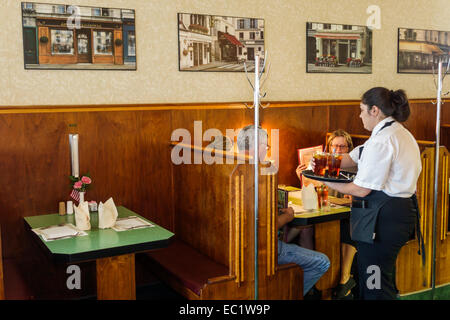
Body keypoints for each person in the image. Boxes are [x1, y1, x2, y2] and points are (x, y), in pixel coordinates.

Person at [315, 87, 422, 300]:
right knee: (373, 278)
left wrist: (322, 179)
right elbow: (352, 160)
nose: (359, 115)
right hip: (394, 214)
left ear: (375, 110)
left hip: (385, 218)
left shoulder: (383, 140)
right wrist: (322, 161)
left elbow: (362, 189)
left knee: (375, 282)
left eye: (362, 110)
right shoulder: (392, 132)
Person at [237, 124, 330, 298]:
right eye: (266, 146)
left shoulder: (231, 168)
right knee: (322, 262)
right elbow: (265, 228)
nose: (267, 150)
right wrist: (287, 216)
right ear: (259, 146)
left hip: (237, 247)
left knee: (300, 235)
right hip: (260, 247)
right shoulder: (260, 174)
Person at [295, 129, 358, 300]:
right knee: (305, 229)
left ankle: (344, 280)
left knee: (348, 227)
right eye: (334, 146)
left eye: (342, 147)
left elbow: (360, 192)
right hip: (325, 209)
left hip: (348, 213)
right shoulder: (323, 163)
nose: (338, 150)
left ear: (349, 149)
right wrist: (302, 177)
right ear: (329, 147)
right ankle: (314, 283)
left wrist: (352, 195)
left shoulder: (354, 167)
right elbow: (316, 188)